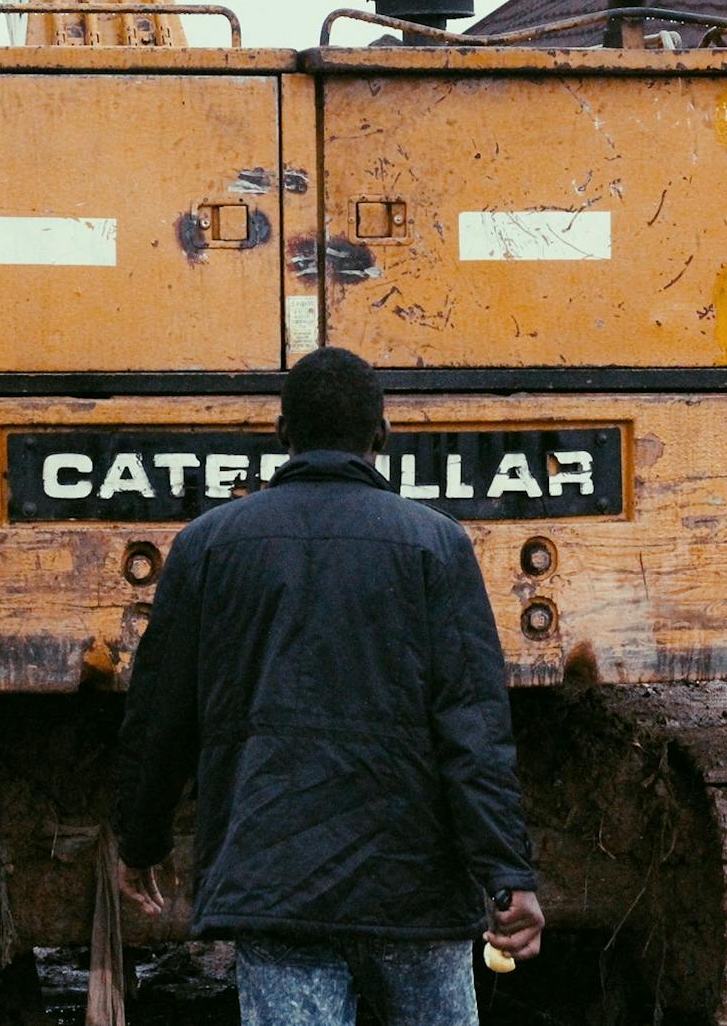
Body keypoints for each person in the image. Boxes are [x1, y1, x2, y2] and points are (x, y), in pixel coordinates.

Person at [114, 347, 542, 1026]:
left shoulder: (207, 545)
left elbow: (160, 716)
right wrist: (507, 874)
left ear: (283, 434)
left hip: (277, 885)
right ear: (382, 435)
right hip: (416, 888)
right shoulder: (437, 546)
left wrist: (140, 841)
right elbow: (474, 730)